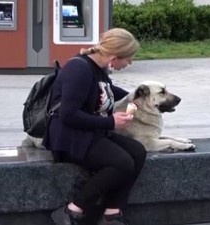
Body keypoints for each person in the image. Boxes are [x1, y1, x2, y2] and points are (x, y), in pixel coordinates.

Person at [45, 28, 147, 225]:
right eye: (129, 58)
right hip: (68, 138)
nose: (130, 63)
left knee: (137, 151)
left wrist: (140, 98)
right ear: (115, 57)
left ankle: (112, 213)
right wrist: (110, 122)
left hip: (89, 132)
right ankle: (71, 211)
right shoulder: (80, 69)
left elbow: (110, 92)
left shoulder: (97, 68)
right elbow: (68, 115)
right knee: (122, 162)